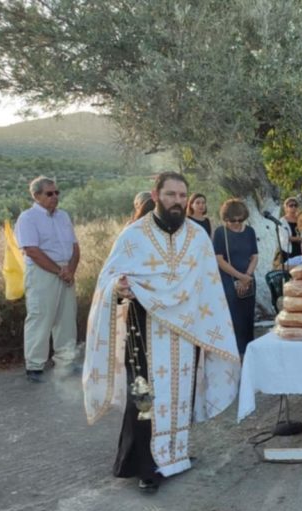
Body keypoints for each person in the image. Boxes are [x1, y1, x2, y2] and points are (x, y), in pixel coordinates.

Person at [82, 171, 240, 493]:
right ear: (155, 196)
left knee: (181, 395)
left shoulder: (198, 237)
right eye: (170, 195)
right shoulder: (133, 236)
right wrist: (118, 288)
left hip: (185, 332)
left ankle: (175, 456)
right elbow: (108, 279)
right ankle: (144, 465)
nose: (177, 201)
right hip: (144, 330)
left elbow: (208, 285)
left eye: (182, 196)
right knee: (144, 398)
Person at [15, 176, 80, 384]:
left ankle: (65, 362)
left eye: (56, 192)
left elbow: (75, 246)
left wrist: (70, 270)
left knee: (66, 318)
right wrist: (59, 271)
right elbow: (32, 250)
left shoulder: (63, 216)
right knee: (40, 316)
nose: (55, 197)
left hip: (66, 270)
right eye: (49, 193)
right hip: (43, 272)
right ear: (36, 196)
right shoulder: (28, 218)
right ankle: (35, 365)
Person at [213, 199, 259, 356]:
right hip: (229, 281)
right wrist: (240, 277)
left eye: (240, 220)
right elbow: (219, 260)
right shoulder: (220, 233)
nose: (237, 223)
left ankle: (249, 354)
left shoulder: (250, 231)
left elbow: (254, 256)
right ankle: (234, 355)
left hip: (248, 279)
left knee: (248, 319)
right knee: (233, 320)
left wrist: (247, 276)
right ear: (226, 218)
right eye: (233, 220)